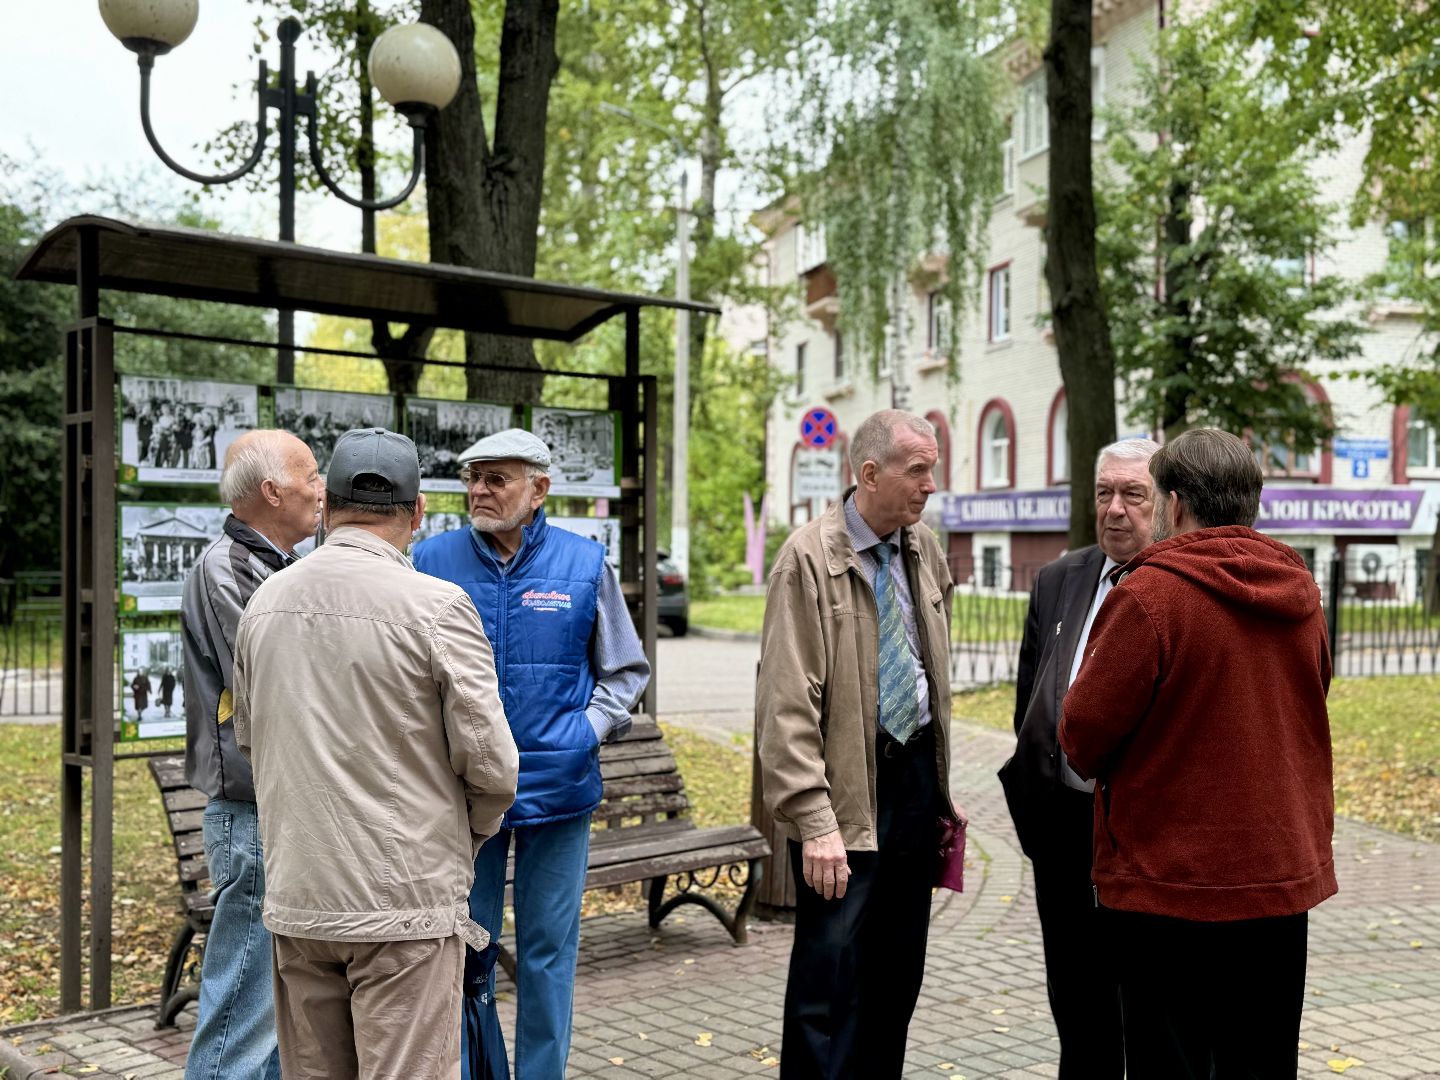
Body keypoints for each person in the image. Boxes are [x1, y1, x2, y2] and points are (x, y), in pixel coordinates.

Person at [231, 428, 518, 1079]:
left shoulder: (264, 603)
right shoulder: (440, 607)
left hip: (301, 897)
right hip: (405, 903)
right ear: (417, 514)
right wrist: (465, 834)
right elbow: (494, 767)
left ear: (326, 509)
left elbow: (250, 738)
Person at [1061, 428, 1337, 1078]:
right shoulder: (1299, 590)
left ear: (1176, 503)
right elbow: (1315, 688)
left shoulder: (1150, 596)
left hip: (1169, 887)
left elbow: (1082, 736)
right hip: (1277, 880)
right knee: (1261, 1061)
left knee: (1170, 1063)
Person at [412, 428, 650, 1080]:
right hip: (464, 800)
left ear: (539, 488)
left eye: (497, 479)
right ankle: (475, 1071)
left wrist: (583, 733)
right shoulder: (431, 560)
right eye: (473, 478)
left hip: (559, 793)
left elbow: (625, 671)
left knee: (547, 953)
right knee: (467, 952)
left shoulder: (582, 563)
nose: (480, 492)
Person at [756, 409, 958, 1079]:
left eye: (933, 468)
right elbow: (786, 707)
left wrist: (943, 792)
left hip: (913, 785)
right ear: (869, 474)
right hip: (845, 797)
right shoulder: (807, 559)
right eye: (918, 470)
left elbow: (932, 663)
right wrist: (815, 823)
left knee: (895, 976)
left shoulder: (922, 547)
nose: (932, 484)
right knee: (828, 987)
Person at [997, 436, 1159, 1079]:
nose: (1116, 509)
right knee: (1075, 997)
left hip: (1145, 835)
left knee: (1142, 1003)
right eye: (1104, 493)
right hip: (1064, 829)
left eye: (1134, 494)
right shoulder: (1060, 578)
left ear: (1166, 504)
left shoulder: (1176, 584)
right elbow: (1030, 701)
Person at [179, 429, 323, 1080]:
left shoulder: (275, 565)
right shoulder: (232, 570)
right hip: (254, 814)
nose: (323, 489)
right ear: (272, 491)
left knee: (272, 1011)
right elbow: (287, 682)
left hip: (275, 810)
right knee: (242, 1007)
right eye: (312, 476)